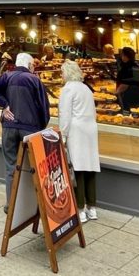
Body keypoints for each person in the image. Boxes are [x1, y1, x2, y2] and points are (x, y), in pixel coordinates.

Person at [0, 52, 50, 209]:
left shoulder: (7, 76)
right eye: (33, 65)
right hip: (29, 129)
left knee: (11, 167)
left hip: (9, 127)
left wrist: (5, 104)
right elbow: (44, 108)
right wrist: (41, 127)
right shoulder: (35, 80)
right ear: (28, 65)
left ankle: (11, 204)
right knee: (34, 167)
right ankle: (34, 204)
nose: (34, 68)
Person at [58, 60, 100, 223]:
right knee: (90, 167)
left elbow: (65, 115)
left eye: (62, 72)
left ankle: (80, 208)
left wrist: (63, 135)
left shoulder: (68, 90)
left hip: (77, 130)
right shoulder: (86, 89)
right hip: (90, 129)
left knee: (78, 168)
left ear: (67, 73)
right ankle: (92, 207)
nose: (61, 76)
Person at [115, 46, 139, 112]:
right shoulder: (135, 65)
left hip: (129, 96)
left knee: (129, 114)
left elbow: (125, 85)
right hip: (137, 94)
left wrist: (116, 93)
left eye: (123, 55)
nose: (122, 57)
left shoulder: (127, 67)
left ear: (126, 56)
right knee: (137, 113)